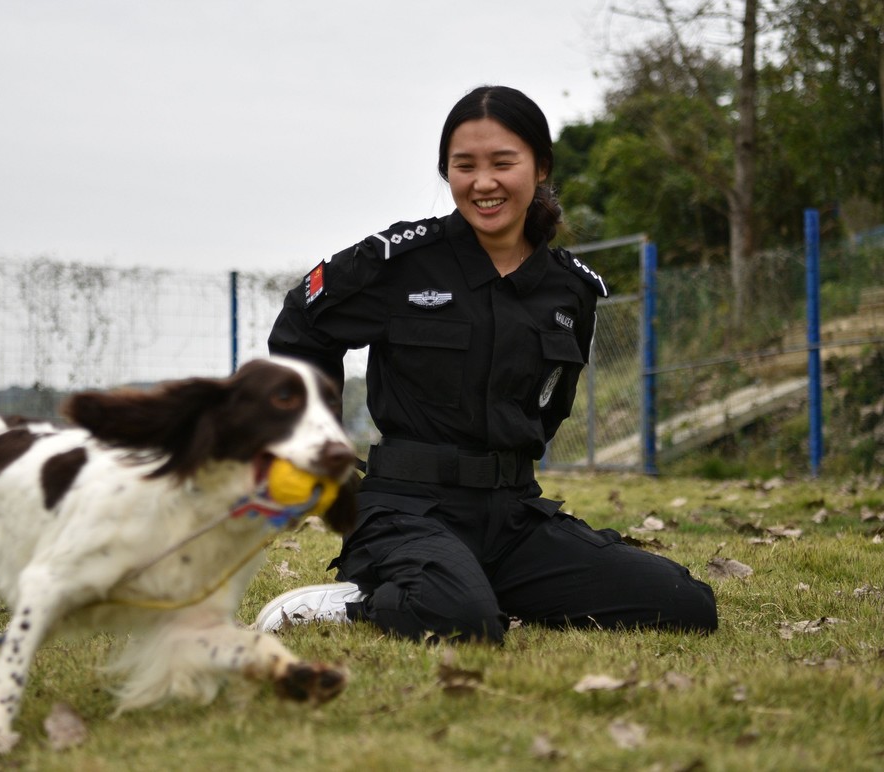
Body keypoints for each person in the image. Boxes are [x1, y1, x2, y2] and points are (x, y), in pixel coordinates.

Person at [255, 85, 717, 643]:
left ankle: (468, 583)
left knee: (686, 605)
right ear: (446, 172)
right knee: (464, 621)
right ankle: (358, 604)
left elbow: (552, 405)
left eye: (503, 163)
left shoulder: (569, 289)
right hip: (407, 509)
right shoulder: (400, 262)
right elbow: (303, 323)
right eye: (463, 166)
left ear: (540, 166)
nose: (483, 182)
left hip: (514, 516)